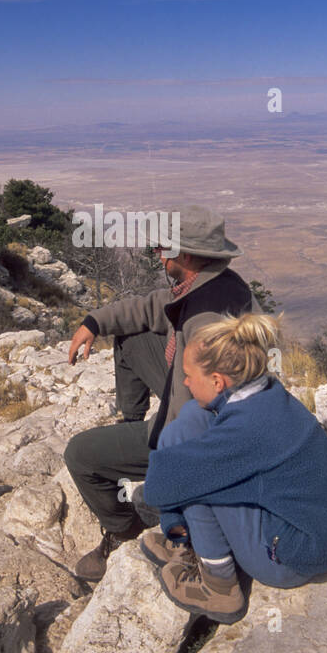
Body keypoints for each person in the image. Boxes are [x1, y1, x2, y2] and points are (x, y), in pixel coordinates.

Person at [63, 205, 258, 581]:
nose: (155, 253)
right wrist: (93, 323)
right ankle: (129, 423)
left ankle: (122, 529)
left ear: (183, 255)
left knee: (81, 455)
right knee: (132, 336)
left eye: (160, 247)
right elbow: (149, 308)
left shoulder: (204, 323)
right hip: (196, 398)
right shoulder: (217, 283)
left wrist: (164, 465)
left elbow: (196, 419)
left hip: (197, 428)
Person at [138, 313, 327, 623]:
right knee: (193, 418)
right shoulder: (263, 394)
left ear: (218, 381)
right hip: (296, 529)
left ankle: (219, 586)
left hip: (290, 559)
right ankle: (190, 537)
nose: (184, 382)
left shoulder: (250, 428)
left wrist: (169, 510)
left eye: (188, 375)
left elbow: (156, 487)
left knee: (198, 480)